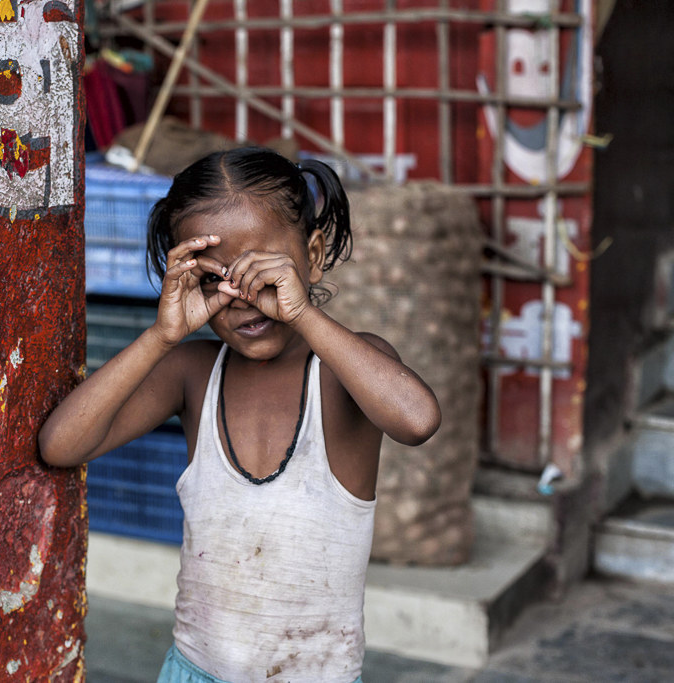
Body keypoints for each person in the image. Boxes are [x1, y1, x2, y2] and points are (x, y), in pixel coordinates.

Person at [39, 147, 441, 682]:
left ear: (312, 256)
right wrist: (162, 335)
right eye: (214, 280)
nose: (243, 298)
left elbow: (418, 421)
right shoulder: (191, 372)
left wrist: (302, 312)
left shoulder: (344, 372)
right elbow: (61, 445)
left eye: (263, 273)